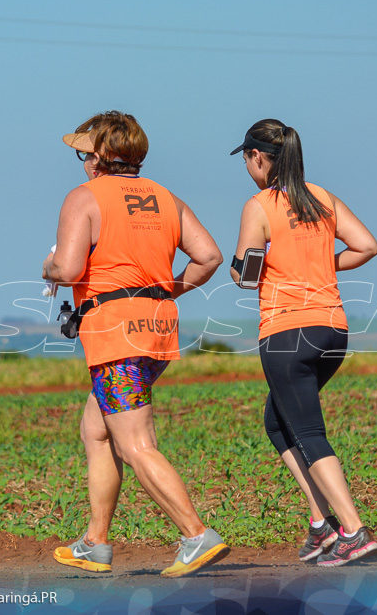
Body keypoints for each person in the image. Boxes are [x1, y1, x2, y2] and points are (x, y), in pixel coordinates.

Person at [43, 110, 228, 577]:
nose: (82, 161)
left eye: (85, 152)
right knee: (96, 429)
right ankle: (96, 542)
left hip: (114, 335)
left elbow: (67, 270)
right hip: (159, 329)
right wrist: (162, 290)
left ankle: (195, 534)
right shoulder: (166, 198)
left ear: (102, 156)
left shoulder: (83, 198)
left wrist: (47, 269)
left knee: (135, 442)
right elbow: (208, 257)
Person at [229, 118, 377, 567]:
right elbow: (367, 246)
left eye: (247, 159)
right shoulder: (323, 197)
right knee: (278, 422)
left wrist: (245, 271)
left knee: (309, 433)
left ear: (258, 157)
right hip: (332, 331)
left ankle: (353, 531)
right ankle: (322, 525)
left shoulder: (259, 205)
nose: (248, 167)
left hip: (284, 333)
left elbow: (245, 275)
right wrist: (322, 265)